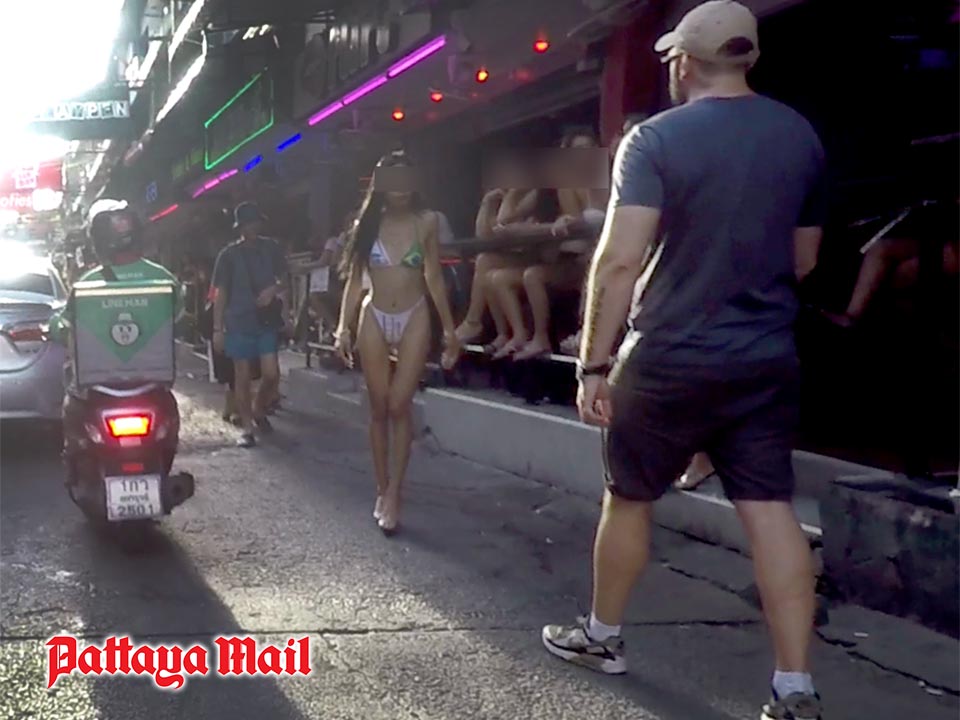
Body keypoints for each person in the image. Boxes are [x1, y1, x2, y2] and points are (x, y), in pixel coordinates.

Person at [540, 4, 826, 720]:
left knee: (629, 497)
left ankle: (602, 637)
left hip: (669, 355)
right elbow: (805, 258)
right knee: (771, 511)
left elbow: (619, 261)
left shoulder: (655, 139)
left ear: (685, 63)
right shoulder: (799, 136)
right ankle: (793, 687)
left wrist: (592, 365)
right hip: (765, 355)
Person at [334, 151, 461, 535]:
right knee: (378, 407)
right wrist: (342, 328)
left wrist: (450, 330)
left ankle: (395, 492)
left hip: (415, 315)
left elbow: (433, 276)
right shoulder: (367, 224)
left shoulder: (427, 221)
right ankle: (381, 486)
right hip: (373, 315)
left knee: (398, 405)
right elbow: (355, 281)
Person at [50, 200, 182, 477]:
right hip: (151, 383)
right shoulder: (164, 279)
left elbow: (62, 325)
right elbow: (179, 319)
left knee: (71, 407)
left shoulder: (86, 284)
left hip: (100, 386)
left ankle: (74, 469)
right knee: (169, 413)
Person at [488, 127, 605, 359]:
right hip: (571, 257)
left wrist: (548, 227)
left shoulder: (607, 179)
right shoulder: (559, 187)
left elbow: (588, 221)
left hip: (596, 258)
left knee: (533, 275)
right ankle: (519, 336)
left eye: (589, 148)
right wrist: (512, 193)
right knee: (498, 274)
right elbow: (501, 224)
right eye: (577, 151)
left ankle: (542, 338)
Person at [211, 202, 289, 448]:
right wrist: (217, 328)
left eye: (255, 222)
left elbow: (285, 278)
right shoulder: (228, 256)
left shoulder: (271, 248)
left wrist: (273, 290)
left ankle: (258, 408)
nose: (252, 227)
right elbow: (221, 293)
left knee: (271, 374)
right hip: (238, 321)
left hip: (265, 320)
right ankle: (247, 427)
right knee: (242, 376)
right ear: (240, 227)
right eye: (247, 224)